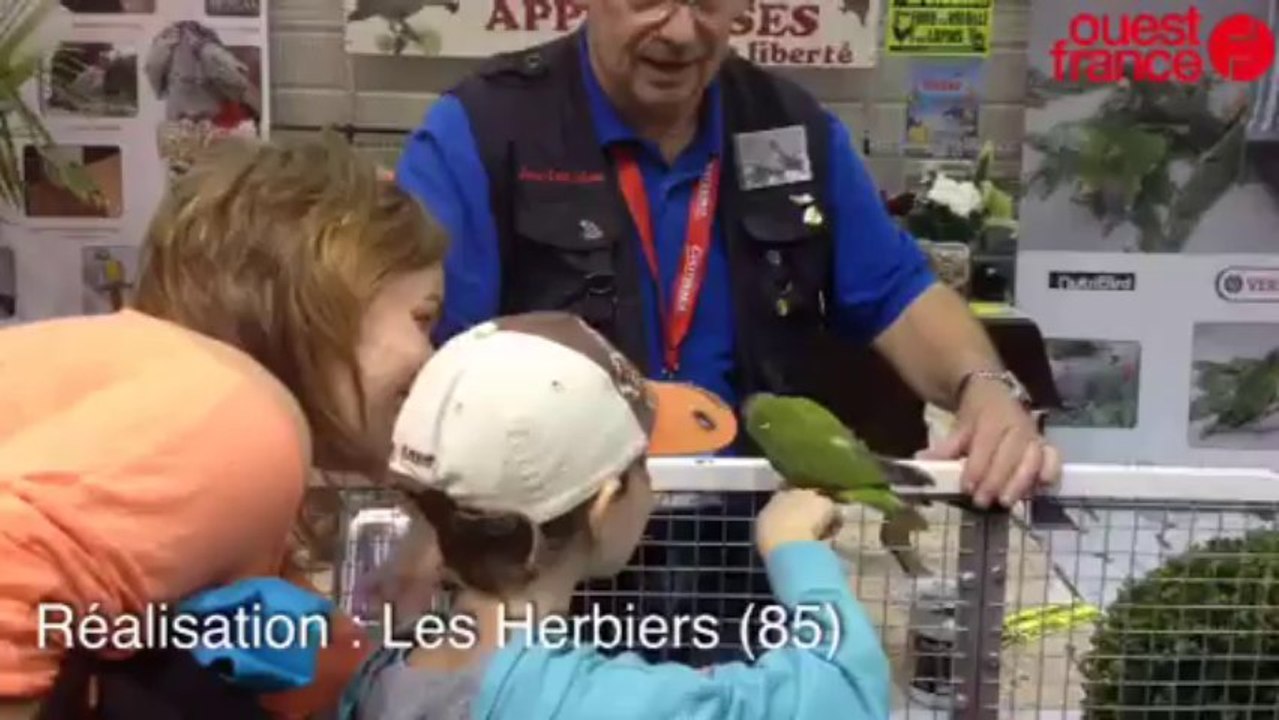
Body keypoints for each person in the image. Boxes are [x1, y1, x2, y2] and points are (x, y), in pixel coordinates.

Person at [394, 0, 1061, 663]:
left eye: (708, 3)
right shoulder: (485, 130)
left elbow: (896, 291)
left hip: (748, 542)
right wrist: (433, 522)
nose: (682, 32)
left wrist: (985, 386)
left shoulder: (791, 128)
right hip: (550, 549)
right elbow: (415, 348)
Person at [0, 132, 448, 718]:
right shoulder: (243, 417)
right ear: (330, 289)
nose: (431, 358)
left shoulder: (158, 378)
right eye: (423, 318)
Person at [336, 310, 891, 720]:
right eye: (641, 465)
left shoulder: (381, 677)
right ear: (604, 505)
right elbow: (848, 692)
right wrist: (795, 548)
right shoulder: (609, 704)